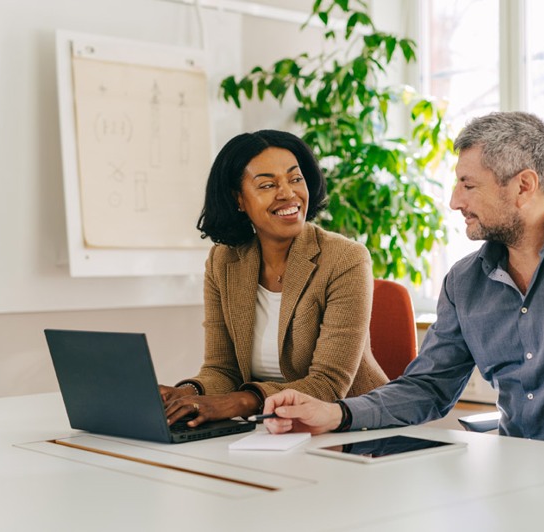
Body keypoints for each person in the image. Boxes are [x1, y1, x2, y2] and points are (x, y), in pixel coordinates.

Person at [261, 111, 544, 455]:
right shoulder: (465, 282)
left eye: (469, 185)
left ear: (523, 186)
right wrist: (337, 413)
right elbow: (427, 388)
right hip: (518, 480)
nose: (452, 201)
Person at [159, 130, 388, 427]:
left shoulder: (345, 259)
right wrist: (184, 394)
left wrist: (239, 402)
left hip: (353, 428)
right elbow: (221, 369)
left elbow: (328, 384)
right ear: (238, 200)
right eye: (267, 184)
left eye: (295, 179)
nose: (288, 193)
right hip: (271, 430)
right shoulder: (224, 261)